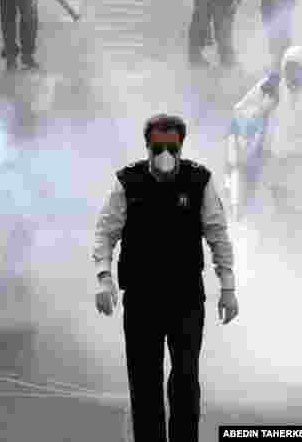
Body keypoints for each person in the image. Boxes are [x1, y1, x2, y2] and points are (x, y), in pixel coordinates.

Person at [93, 114, 238, 442]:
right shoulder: (128, 182)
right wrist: (104, 277)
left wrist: (228, 288)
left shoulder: (199, 181)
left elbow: (218, 236)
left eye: (172, 148)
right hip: (142, 299)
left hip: (186, 298)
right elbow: (105, 232)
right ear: (147, 146)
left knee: (186, 378)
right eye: (157, 147)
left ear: (181, 147)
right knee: (144, 381)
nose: (165, 155)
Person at [247, 46, 302, 250]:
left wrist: (285, 152)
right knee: (275, 219)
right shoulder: (277, 91)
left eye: (297, 70)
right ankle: (273, 253)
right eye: (288, 69)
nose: (292, 75)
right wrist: (265, 101)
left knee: (298, 224)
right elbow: (250, 118)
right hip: (278, 167)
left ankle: (296, 253)